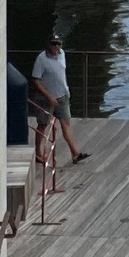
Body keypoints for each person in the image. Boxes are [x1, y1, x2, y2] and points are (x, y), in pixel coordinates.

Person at [30, 35, 90, 165]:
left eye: (58, 44)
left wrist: (66, 90)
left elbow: (61, 75)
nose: (56, 46)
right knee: (42, 125)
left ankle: (75, 154)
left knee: (66, 124)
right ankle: (38, 154)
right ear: (48, 44)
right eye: (53, 44)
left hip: (62, 96)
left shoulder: (62, 54)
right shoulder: (41, 59)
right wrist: (49, 96)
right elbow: (36, 80)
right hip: (45, 99)